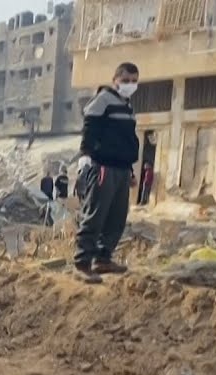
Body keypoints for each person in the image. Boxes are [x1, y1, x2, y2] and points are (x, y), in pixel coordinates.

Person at [74, 62, 141, 284]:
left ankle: (103, 259)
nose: (130, 85)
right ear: (115, 80)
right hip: (102, 166)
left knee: (117, 216)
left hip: (121, 168)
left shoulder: (127, 106)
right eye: (126, 81)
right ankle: (83, 263)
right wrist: (85, 155)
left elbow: (128, 141)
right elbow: (90, 127)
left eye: (134, 81)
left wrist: (130, 170)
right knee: (96, 214)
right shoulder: (103, 99)